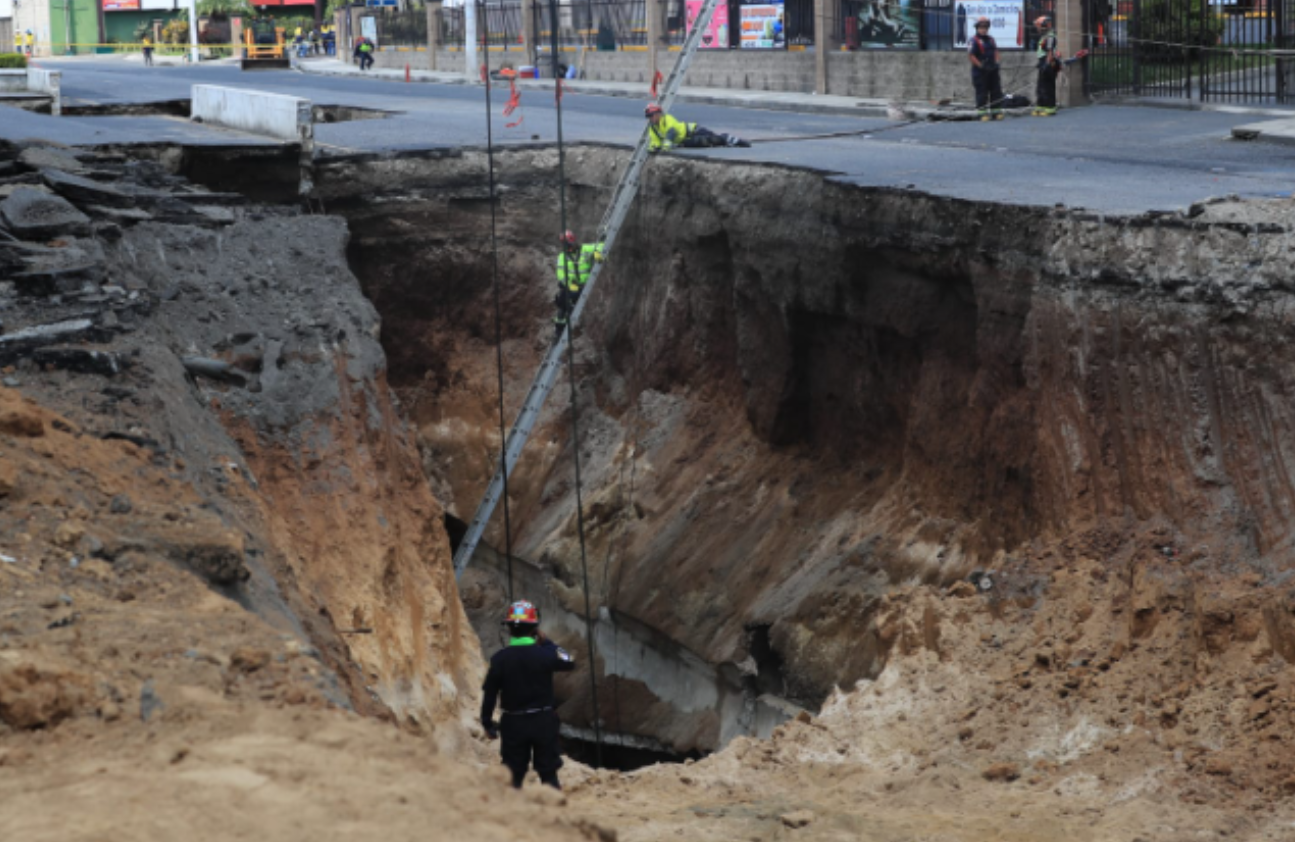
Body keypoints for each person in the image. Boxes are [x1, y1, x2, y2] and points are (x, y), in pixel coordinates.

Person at [480, 601, 576, 790]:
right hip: (543, 721)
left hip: (513, 723)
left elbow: (490, 694)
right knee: (549, 774)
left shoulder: (499, 659)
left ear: (508, 627)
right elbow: (568, 661)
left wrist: (487, 722)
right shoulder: (545, 655)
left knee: (513, 776)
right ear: (534, 628)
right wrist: (547, 642)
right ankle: (554, 815)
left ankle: (517, 816)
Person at [554, 230, 603, 340]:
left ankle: (571, 313)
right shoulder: (562, 257)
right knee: (562, 303)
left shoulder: (585, 249)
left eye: (568, 244)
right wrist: (569, 284)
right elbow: (560, 274)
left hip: (585, 285)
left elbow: (600, 246)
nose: (568, 247)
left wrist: (597, 253)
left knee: (571, 300)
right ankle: (559, 330)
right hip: (572, 285)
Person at [645, 103, 749, 153]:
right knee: (708, 142)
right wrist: (653, 148)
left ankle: (731, 139)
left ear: (658, 114)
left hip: (693, 131)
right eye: (649, 117)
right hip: (685, 141)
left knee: (713, 138)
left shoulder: (667, 119)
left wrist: (666, 146)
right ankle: (726, 141)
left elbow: (671, 132)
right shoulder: (653, 128)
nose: (651, 119)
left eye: (652, 115)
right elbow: (655, 142)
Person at [967, 17, 1004, 121]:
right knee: (982, 92)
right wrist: (981, 66)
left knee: (996, 90)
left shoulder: (991, 40)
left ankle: (996, 111)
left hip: (992, 70)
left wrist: (997, 62)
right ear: (977, 28)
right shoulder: (973, 40)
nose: (984, 30)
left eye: (985, 27)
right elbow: (971, 56)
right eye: (981, 27)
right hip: (980, 72)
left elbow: (996, 52)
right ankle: (982, 113)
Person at [1034, 16, 1059, 117]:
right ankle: (1041, 106)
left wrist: (1047, 65)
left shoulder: (1050, 37)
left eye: (1039, 26)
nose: (1038, 28)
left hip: (1048, 62)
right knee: (1041, 86)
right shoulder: (1044, 36)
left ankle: (1050, 108)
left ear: (1043, 26)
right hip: (1043, 61)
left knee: (1048, 86)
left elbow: (1050, 52)